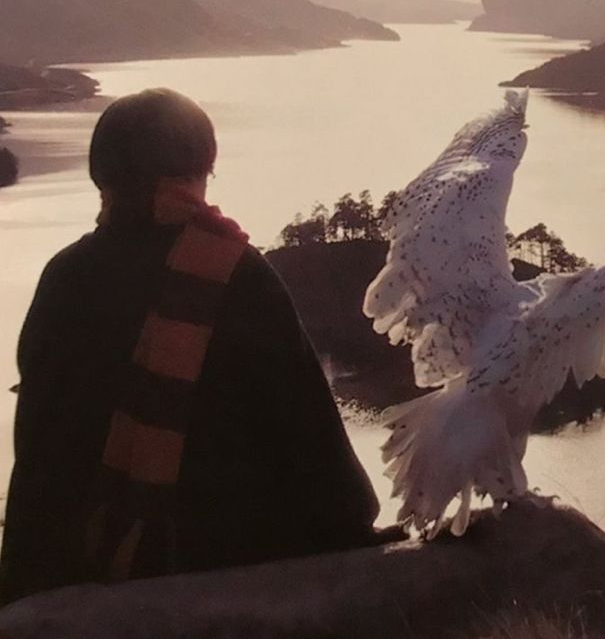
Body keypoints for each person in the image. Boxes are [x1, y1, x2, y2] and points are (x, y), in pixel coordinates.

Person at [0, 89, 381, 603]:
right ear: (199, 172)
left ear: (103, 177)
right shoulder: (240, 276)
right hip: (228, 578)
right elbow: (320, 462)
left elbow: (38, 457)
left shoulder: (65, 278)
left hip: (77, 576)